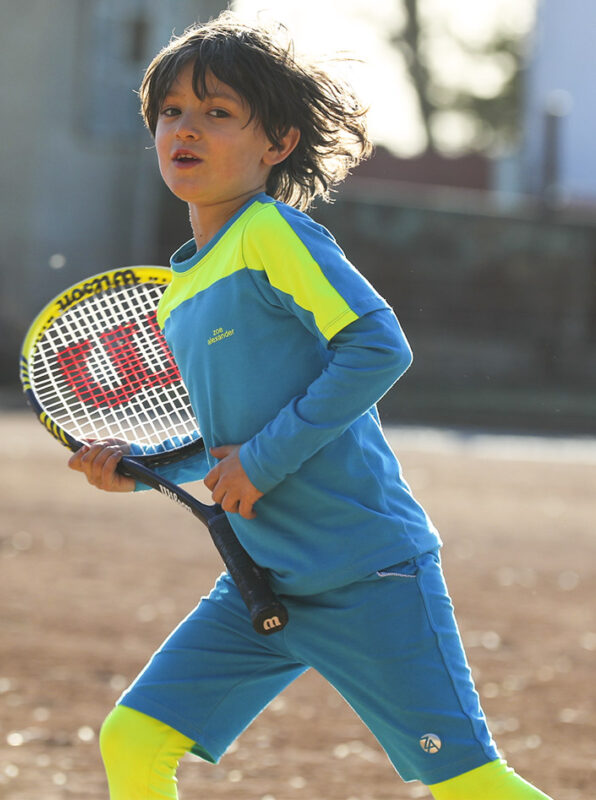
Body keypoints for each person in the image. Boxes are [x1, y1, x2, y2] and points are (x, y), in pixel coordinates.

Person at [69, 12, 554, 800]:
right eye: (171, 113)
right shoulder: (184, 284)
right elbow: (228, 433)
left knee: (471, 786)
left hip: (366, 569)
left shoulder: (271, 232)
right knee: (133, 740)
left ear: (279, 143)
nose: (185, 130)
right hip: (263, 577)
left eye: (218, 113)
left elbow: (377, 346)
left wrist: (261, 462)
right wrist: (145, 470)